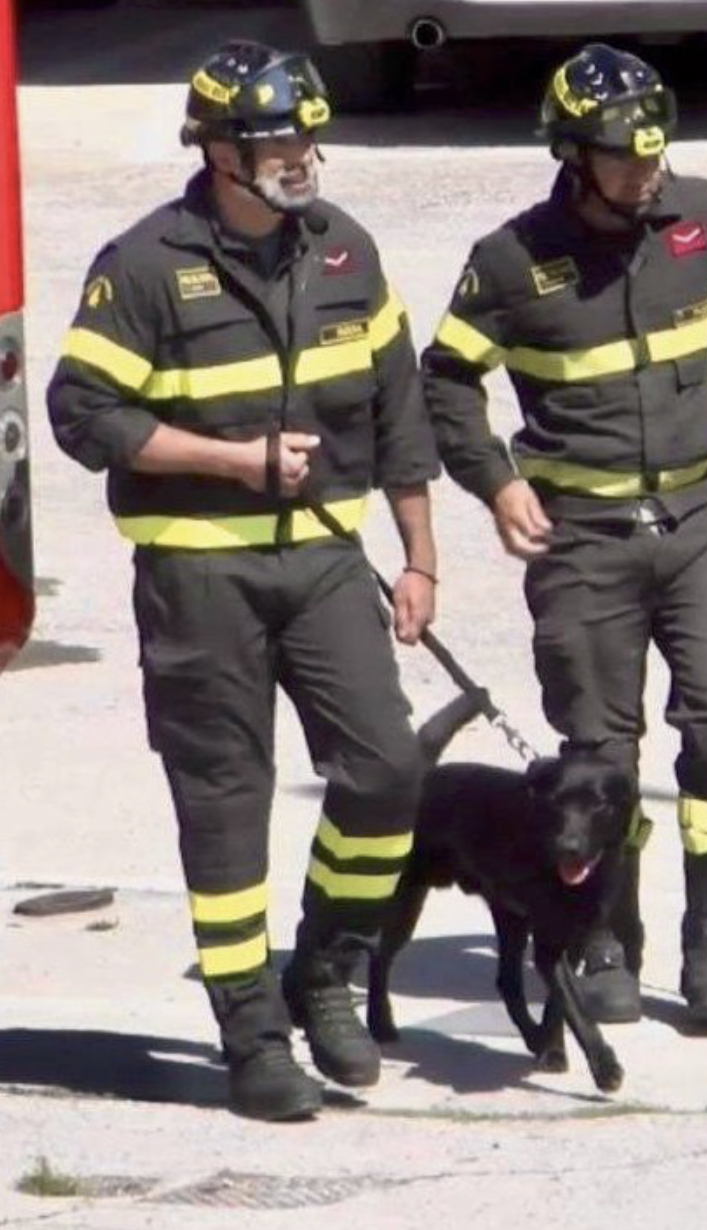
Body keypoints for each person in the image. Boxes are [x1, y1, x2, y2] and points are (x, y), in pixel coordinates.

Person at [47, 42, 440, 1121]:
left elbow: (399, 414)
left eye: (306, 134)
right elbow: (81, 413)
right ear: (217, 150)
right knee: (226, 804)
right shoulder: (143, 265)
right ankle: (251, 1036)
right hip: (198, 575)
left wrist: (418, 556)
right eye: (273, 140)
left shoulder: (345, 249)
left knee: (387, 770)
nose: (297, 155)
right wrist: (230, 462)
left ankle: (326, 969)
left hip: (326, 564)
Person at [422, 43, 707, 1027]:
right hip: (582, 539)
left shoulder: (701, 216)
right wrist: (496, 482)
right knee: (598, 756)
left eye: (654, 151)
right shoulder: (510, 260)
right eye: (624, 156)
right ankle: (601, 942)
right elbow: (445, 381)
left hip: (699, 521)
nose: (644, 171)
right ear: (573, 155)